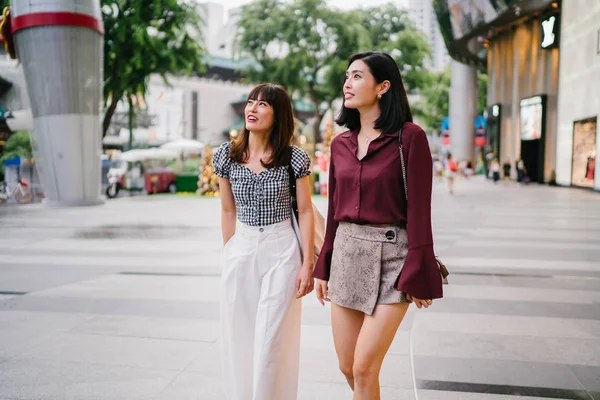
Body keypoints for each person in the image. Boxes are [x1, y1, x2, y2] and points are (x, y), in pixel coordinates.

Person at [313, 52, 443, 400]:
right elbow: (334, 210)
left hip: (393, 258)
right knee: (347, 366)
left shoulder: (409, 138)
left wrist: (419, 268)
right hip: (346, 254)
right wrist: (322, 264)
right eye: (347, 76)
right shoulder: (340, 144)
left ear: (383, 86)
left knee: (364, 367)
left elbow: (419, 209)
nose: (347, 83)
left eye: (357, 76)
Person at [212, 83, 315, 400]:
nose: (252, 109)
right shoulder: (226, 156)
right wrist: (230, 252)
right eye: (250, 102)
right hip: (241, 248)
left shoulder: (293, 158)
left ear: (278, 113)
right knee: (239, 335)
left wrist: (307, 264)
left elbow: (307, 210)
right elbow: (228, 210)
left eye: (263, 104)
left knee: (272, 338)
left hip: (281, 249)